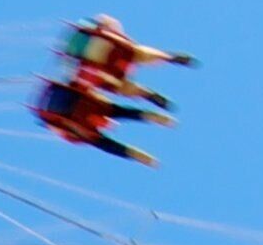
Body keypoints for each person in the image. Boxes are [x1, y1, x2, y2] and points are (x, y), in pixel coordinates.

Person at [57, 15, 194, 107]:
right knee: (136, 53)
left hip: (105, 63)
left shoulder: (74, 63)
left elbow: (81, 82)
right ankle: (168, 58)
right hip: (116, 48)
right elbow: (107, 20)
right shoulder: (89, 30)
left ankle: (148, 94)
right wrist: (121, 36)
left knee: (118, 85)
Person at [33, 74, 169, 164]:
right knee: (121, 113)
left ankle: (142, 150)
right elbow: (83, 87)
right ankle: (156, 118)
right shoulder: (98, 112)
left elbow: (107, 145)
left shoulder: (80, 130)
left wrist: (137, 156)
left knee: (119, 117)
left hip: (75, 111)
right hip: (80, 105)